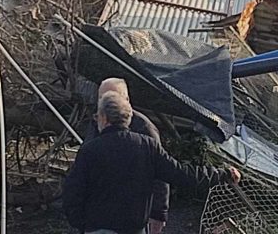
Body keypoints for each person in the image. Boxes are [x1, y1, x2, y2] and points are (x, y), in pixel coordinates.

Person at [63, 91, 240, 234]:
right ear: (129, 118)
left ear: (103, 118)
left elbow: (73, 190)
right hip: (134, 227)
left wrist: (81, 223)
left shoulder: (91, 150)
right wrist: (222, 174)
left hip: (98, 227)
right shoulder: (148, 146)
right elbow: (182, 174)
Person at [86, 78, 169, 234]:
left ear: (126, 100)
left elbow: (161, 173)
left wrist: (158, 213)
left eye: (111, 98)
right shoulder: (94, 124)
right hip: (99, 219)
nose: (105, 104)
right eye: (101, 99)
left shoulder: (144, 128)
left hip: (132, 219)